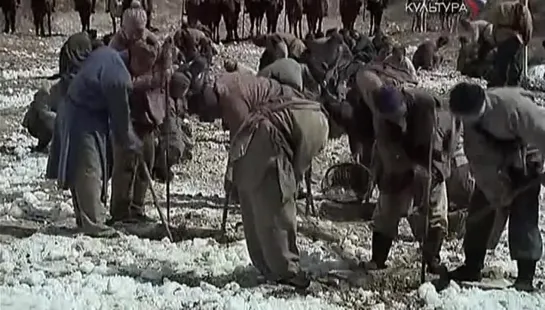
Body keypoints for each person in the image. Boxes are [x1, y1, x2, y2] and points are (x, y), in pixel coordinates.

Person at [188, 72, 329, 289]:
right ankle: (269, 266)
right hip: (292, 120)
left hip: (298, 121)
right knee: (250, 186)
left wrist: (231, 176)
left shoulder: (230, 98)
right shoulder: (226, 87)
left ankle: (286, 269)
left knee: (269, 191)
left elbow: (242, 140)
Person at [446, 82, 544, 292]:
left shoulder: (512, 106)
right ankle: (472, 265)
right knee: (479, 210)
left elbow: (542, 132)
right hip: (498, 163)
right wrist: (497, 193)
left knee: (524, 215)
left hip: (528, 157)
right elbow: (481, 165)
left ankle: (525, 276)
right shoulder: (471, 129)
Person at [47, 46, 143, 237]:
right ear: (137, 61)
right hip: (83, 116)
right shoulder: (119, 77)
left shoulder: (108, 53)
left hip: (76, 110)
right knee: (88, 168)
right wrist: (134, 143)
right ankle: (93, 224)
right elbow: (121, 121)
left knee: (79, 167)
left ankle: (84, 219)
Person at [360, 85, 457, 275]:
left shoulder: (433, 110)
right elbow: (386, 151)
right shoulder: (382, 119)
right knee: (388, 204)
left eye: (399, 115)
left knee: (436, 209)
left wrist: (433, 173)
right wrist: (403, 170)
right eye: (392, 118)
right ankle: (378, 259)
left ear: (404, 104)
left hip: (431, 155)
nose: (398, 120)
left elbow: (446, 147)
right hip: (399, 157)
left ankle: (432, 259)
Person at [483, 0, 532, 87]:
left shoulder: (499, 7)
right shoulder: (521, 9)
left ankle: (497, 88)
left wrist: (495, 39)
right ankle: (513, 89)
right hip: (516, 40)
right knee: (515, 67)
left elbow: (493, 26)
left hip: (501, 40)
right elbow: (528, 26)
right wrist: (525, 41)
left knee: (501, 66)